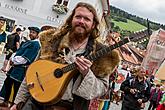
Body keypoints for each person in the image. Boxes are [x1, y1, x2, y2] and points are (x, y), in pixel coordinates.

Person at [10, 2, 120, 110]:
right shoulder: (51, 41)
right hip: (36, 103)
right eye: (78, 17)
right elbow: (32, 74)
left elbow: (101, 89)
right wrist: (18, 102)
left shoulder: (102, 54)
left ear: (93, 25)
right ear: (71, 19)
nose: (81, 21)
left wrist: (87, 73)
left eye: (86, 19)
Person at [0, 27, 41, 107]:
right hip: (15, 68)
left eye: (33, 32)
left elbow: (25, 58)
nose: (31, 34)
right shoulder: (29, 42)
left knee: (17, 88)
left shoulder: (35, 44)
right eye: (31, 32)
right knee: (8, 83)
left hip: (21, 69)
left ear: (37, 35)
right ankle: (6, 101)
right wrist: (12, 58)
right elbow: (18, 52)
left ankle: (14, 105)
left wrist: (14, 60)